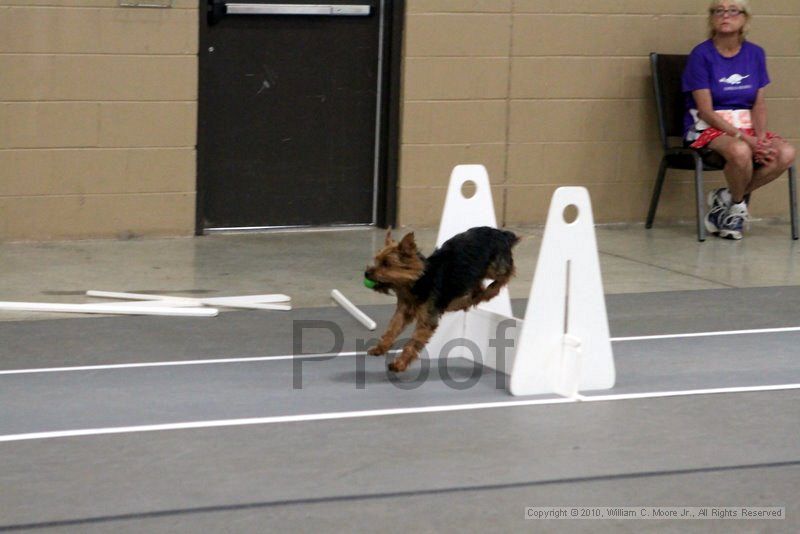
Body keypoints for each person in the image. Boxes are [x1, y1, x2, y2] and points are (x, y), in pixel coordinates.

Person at [682, 0, 796, 240]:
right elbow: (706, 112)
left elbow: (759, 103)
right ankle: (736, 206)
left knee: (785, 153)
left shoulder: (755, 53)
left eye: (733, 10)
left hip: (746, 126)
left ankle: (727, 198)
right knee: (741, 151)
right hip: (707, 127)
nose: (726, 15)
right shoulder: (701, 54)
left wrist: (761, 138)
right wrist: (746, 139)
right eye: (719, 11)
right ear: (711, 18)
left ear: (745, 18)